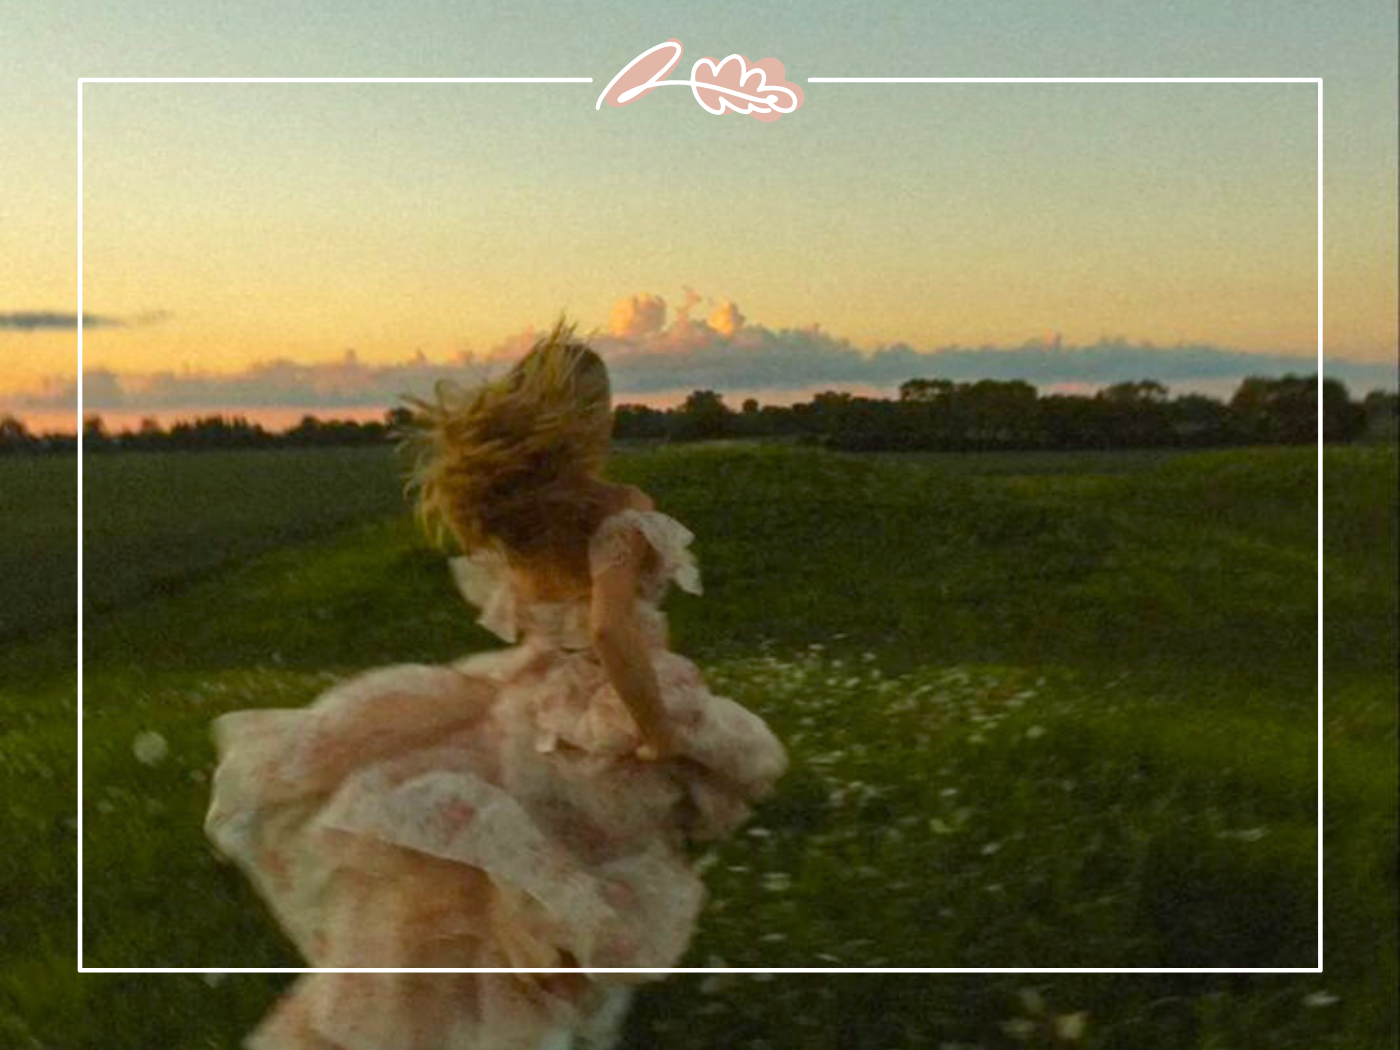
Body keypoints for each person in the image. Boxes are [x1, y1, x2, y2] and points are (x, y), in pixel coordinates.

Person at [204, 318, 790, 1050]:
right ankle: (554, 1024)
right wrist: (657, 727)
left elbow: (527, 618)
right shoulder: (618, 509)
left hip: (523, 701)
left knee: (507, 892)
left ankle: (503, 1021)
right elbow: (610, 632)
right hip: (602, 707)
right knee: (605, 869)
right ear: (589, 421)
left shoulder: (518, 511)